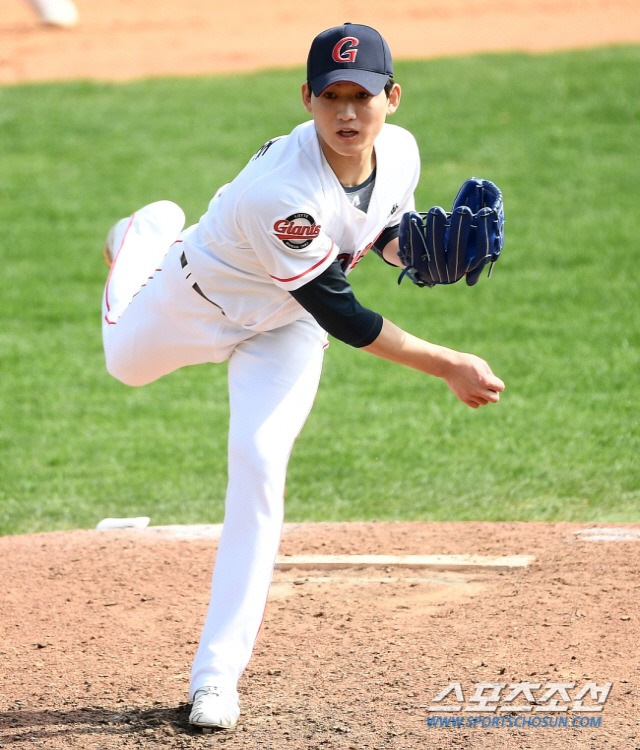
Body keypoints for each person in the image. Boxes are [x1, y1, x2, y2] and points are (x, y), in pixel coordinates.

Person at [101, 22, 505, 731]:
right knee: (123, 367)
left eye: (363, 97)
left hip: (285, 326)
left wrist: (409, 251)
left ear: (392, 98)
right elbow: (345, 316)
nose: (347, 113)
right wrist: (448, 363)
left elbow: (377, 227)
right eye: (331, 97)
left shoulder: (401, 151)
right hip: (193, 300)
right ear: (307, 98)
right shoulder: (280, 193)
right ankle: (145, 238)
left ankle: (215, 678)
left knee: (259, 460)